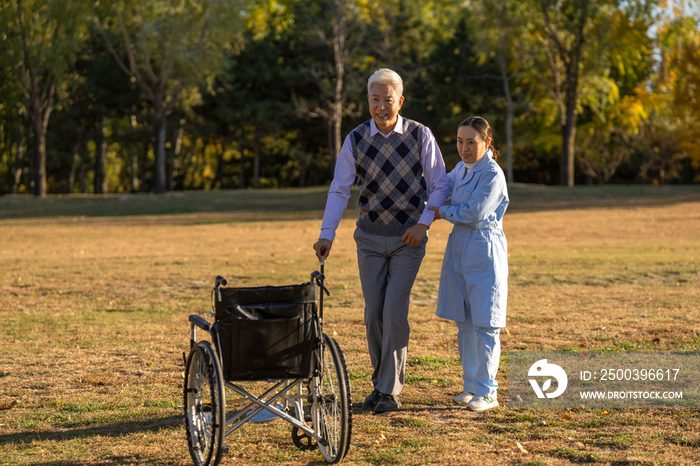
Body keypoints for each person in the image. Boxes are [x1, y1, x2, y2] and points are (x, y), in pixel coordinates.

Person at [313, 68, 449, 413]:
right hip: (370, 238)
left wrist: (423, 224)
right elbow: (339, 188)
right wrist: (326, 234)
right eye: (375, 100)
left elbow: (440, 185)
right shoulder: (356, 139)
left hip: (409, 239)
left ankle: (389, 391)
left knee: (393, 311)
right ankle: (380, 385)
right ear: (368, 102)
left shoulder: (420, 135)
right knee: (373, 314)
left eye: (388, 100)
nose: (381, 107)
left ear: (400, 101)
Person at [428, 116, 509, 412]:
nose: (464, 148)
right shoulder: (461, 168)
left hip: (483, 247)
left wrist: (441, 212)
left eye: (471, 142)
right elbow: (440, 186)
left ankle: (488, 391)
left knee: (486, 322)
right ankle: (471, 385)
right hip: (458, 246)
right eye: (460, 142)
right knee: (464, 321)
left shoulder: (492, 174)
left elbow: (474, 212)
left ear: (486, 143)